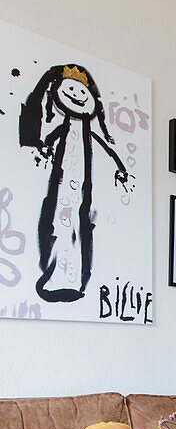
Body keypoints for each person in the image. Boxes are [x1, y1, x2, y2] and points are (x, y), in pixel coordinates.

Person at [19, 63, 131, 302]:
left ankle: (74, 278)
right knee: (59, 224)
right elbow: (49, 139)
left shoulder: (88, 134)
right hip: (61, 188)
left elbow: (109, 153)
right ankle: (54, 275)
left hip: (81, 192)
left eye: (83, 92)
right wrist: (45, 149)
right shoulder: (63, 130)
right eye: (71, 89)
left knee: (78, 227)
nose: (79, 96)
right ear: (56, 92)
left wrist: (120, 170)